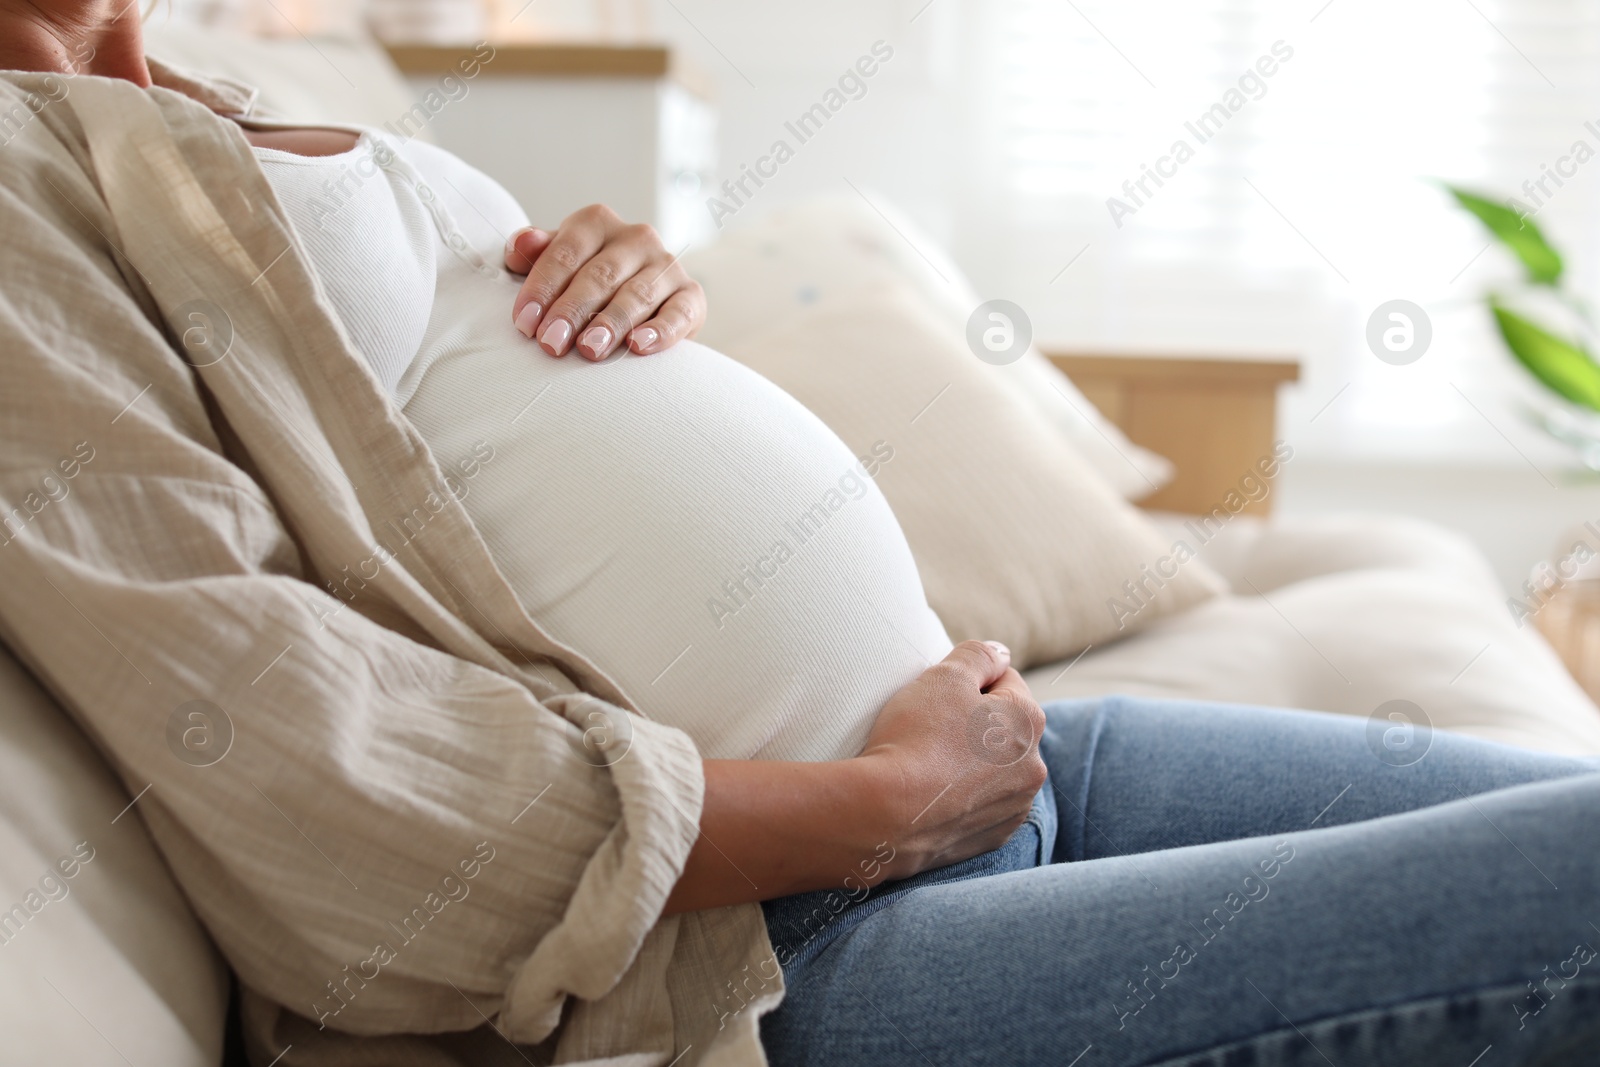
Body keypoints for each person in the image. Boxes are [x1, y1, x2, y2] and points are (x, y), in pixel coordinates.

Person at [0, 4, 1596, 1066]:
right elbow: (305, 770)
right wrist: (879, 803)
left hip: (999, 758)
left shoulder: (183, 85)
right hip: (780, 951)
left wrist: (602, 273)